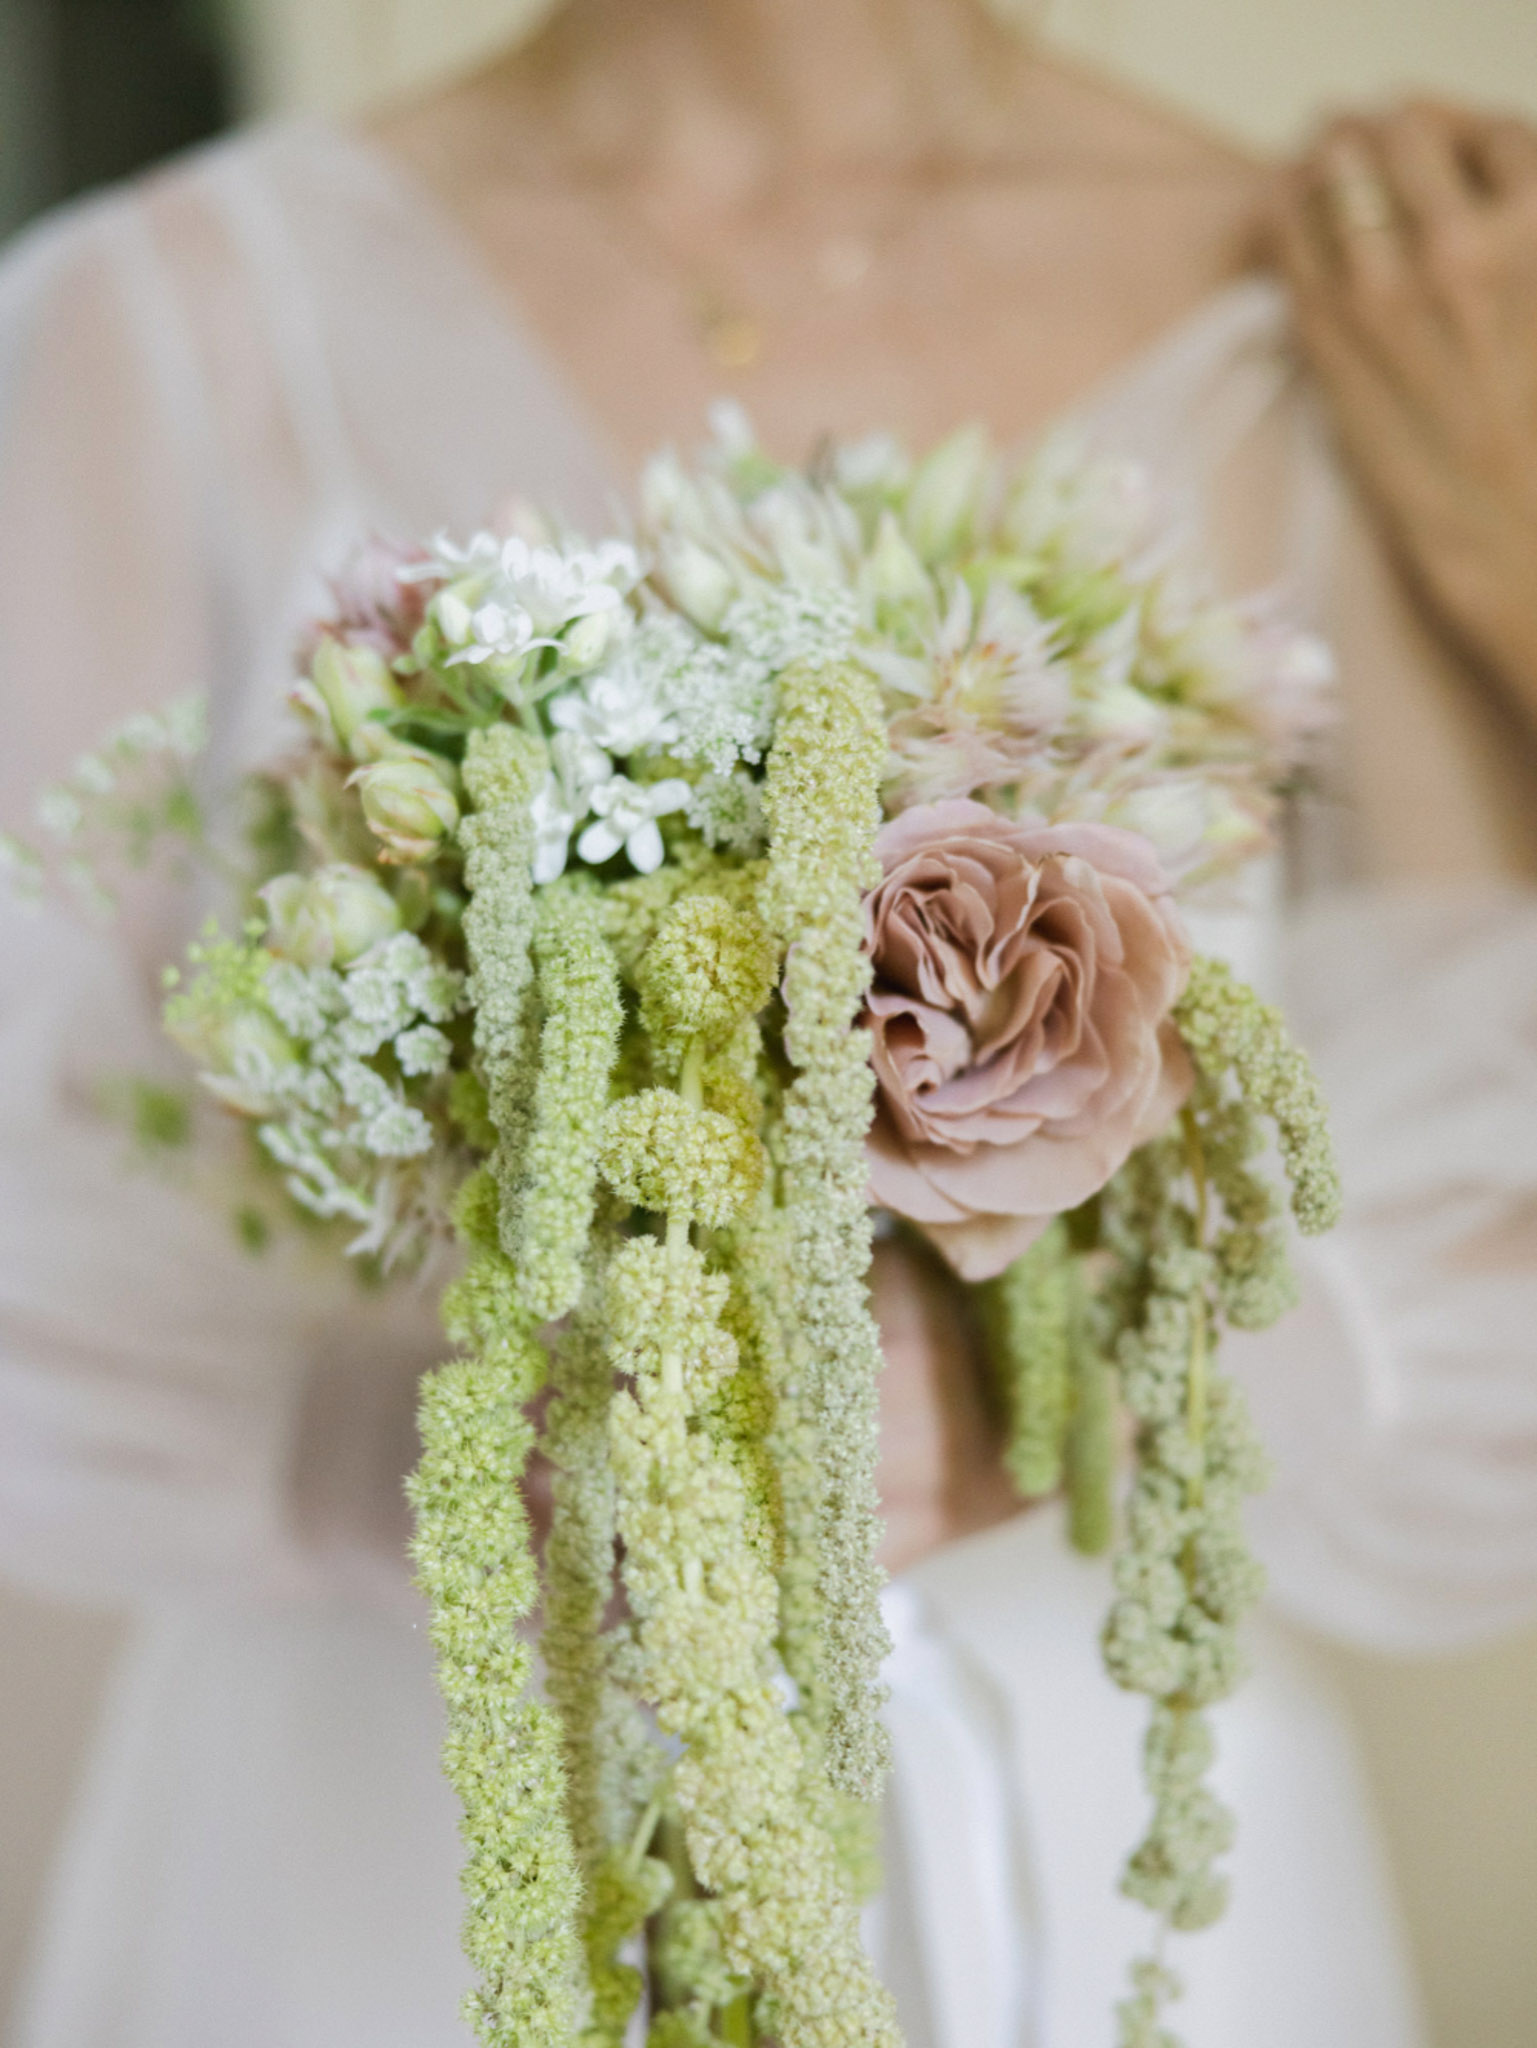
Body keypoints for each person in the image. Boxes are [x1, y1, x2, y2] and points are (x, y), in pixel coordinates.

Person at [1, 1, 1535, 2041]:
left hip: (1086, 1830)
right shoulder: (153, 318)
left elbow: (1469, 1227)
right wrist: (412, 1448)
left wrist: (1052, 1412)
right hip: (402, 1822)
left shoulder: (1362, 309)